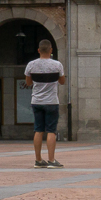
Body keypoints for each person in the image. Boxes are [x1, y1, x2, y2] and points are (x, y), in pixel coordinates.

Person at [24, 39, 66, 168]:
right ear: (51, 50)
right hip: (51, 102)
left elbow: (28, 83)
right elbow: (62, 82)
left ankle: (38, 160)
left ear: (38, 50)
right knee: (51, 131)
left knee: (38, 130)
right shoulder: (57, 65)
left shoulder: (31, 65)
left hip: (36, 101)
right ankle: (51, 160)